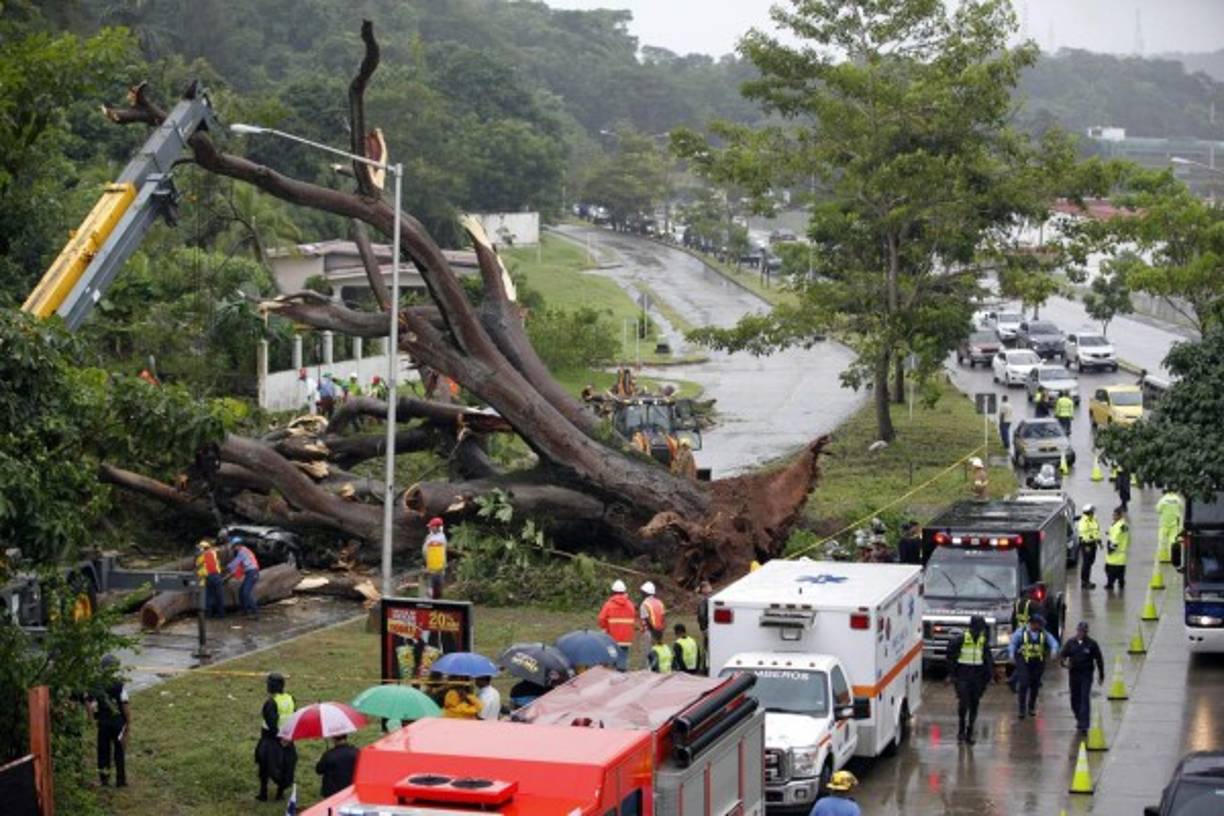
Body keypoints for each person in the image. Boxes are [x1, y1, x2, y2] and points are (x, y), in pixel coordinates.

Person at [946, 614, 993, 744]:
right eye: (978, 628)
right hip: (963, 676)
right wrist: (953, 674)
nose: (979, 631)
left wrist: (988, 676)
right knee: (963, 704)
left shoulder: (982, 642)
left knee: (974, 704)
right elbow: (950, 654)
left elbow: (988, 660)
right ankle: (961, 731)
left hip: (977, 677)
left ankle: (970, 731)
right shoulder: (961, 639)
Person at [89, 654, 130, 787]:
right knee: (119, 750)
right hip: (118, 722)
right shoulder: (119, 685)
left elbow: (91, 704)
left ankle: (104, 779)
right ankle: (121, 780)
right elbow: (125, 704)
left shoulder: (96, 685)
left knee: (103, 751)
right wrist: (128, 723)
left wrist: (92, 720)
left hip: (103, 722)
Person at [1008, 614, 1059, 719]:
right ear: (1033, 624)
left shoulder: (1043, 633)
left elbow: (1053, 642)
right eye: (1039, 624)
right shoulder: (1021, 632)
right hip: (1024, 661)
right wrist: (1011, 655)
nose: (1040, 627)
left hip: (1038, 663)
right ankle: (1022, 709)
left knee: (1035, 685)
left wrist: (1054, 651)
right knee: (1024, 683)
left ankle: (1031, 707)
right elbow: (1013, 644)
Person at [256, 672, 297, 802]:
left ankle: (263, 793)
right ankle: (280, 792)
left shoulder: (270, 703)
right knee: (286, 766)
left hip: (271, 739)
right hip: (287, 738)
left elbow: (271, 723)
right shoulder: (290, 698)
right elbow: (294, 716)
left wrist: (280, 738)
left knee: (264, 766)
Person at [1060, 621, 1105, 732]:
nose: (1081, 633)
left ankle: (1085, 724)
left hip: (1086, 674)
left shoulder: (1092, 644)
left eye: (1083, 631)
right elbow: (1062, 656)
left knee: (1084, 698)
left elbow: (1099, 659)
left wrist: (1101, 675)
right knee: (1075, 699)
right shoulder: (1071, 643)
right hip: (1074, 674)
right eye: (1080, 631)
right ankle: (1079, 718)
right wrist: (1065, 664)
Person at [598, 580, 637, 671]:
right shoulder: (630, 605)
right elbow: (633, 619)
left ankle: (613, 676)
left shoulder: (609, 604)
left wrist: (605, 628)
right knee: (623, 659)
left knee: (612, 657)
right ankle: (622, 676)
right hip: (626, 638)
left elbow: (601, 619)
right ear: (624, 592)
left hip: (612, 638)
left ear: (613, 592)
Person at [224, 537, 261, 617]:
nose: (234, 549)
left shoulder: (242, 552)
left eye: (234, 547)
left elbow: (236, 562)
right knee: (241, 592)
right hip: (250, 573)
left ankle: (255, 612)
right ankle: (245, 611)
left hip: (252, 573)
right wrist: (229, 575)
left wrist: (226, 567)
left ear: (238, 545)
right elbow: (239, 568)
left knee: (246, 593)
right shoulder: (245, 551)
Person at [195, 538, 225, 619]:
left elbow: (198, 567)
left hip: (209, 577)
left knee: (209, 596)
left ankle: (209, 614)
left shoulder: (201, 557)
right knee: (219, 596)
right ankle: (221, 614)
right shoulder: (213, 553)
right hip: (217, 576)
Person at [639, 581, 666, 666]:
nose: (641, 594)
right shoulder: (660, 603)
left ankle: (648, 671)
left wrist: (653, 631)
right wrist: (659, 632)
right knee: (658, 651)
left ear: (646, 593)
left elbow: (646, 619)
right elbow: (663, 618)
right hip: (659, 632)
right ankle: (658, 668)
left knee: (648, 653)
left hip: (649, 631)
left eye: (642, 592)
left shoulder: (644, 604)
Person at [1105, 505, 1130, 591]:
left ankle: (1110, 585)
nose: (1113, 516)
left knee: (1110, 570)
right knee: (1120, 571)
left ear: (1120, 516)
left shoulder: (1118, 526)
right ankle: (1121, 584)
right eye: (1113, 515)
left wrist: (1110, 549)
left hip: (1115, 554)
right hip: (1121, 554)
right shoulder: (1123, 525)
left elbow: (1115, 539)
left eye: (1115, 515)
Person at [422, 517, 447, 599]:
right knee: (433, 591)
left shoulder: (438, 538)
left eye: (431, 526)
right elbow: (425, 552)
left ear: (437, 527)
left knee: (435, 591)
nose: (430, 528)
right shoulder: (430, 537)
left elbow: (426, 551)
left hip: (437, 568)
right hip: (431, 568)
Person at [1078, 504, 1102, 589]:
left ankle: (1087, 580)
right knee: (1086, 563)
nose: (1093, 513)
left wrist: (1099, 540)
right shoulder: (1083, 522)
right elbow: (1083, 534)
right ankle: (1084, 582)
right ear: (1088, 512)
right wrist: (1086, 545)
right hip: (1086, 544)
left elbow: (1096, 531)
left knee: (1091, 562)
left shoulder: (1093, 519)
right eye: (1092, 512)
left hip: (1093, 543)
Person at [1156, 490, 1185, 555]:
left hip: (1164, 522)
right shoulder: (1177, 499)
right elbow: (1182, 508)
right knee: (1173, 539)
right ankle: (1172, 555)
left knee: (1163, 540)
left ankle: (1163, 556)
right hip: (1174, 523)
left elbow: (1158, 509)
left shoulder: (1163, 499)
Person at [696, 580, 713, 673]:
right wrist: (704, 628)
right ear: (704, 589)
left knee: (707, 647)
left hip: (708, 627)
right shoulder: (705, 600)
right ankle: (706, 667)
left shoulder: (705, 599)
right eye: (708, 586)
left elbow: (701, 615)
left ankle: (706, 667)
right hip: (708, 627)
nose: (710, 588)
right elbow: (701, 615)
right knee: (707, 647)